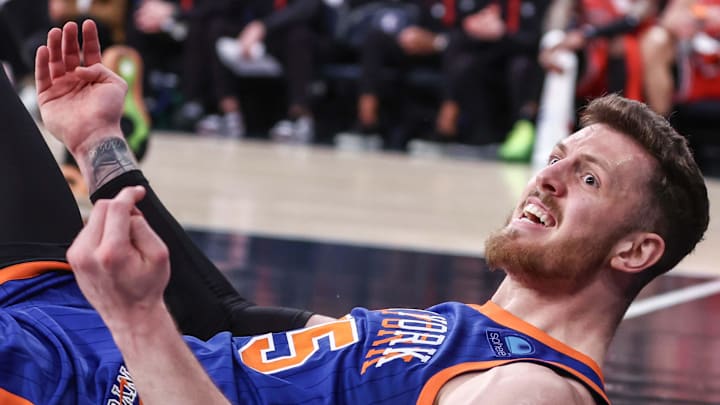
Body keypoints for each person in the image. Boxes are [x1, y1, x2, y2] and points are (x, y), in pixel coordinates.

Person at [4, 19, 710, 405]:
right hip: (71, 320)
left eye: (587, 176)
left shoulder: (532, 390)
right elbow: (228, 322)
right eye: (557, 156)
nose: (549, 176)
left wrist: (136, 320)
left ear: (636, 250)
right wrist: (100, 144)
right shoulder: (455, 332)